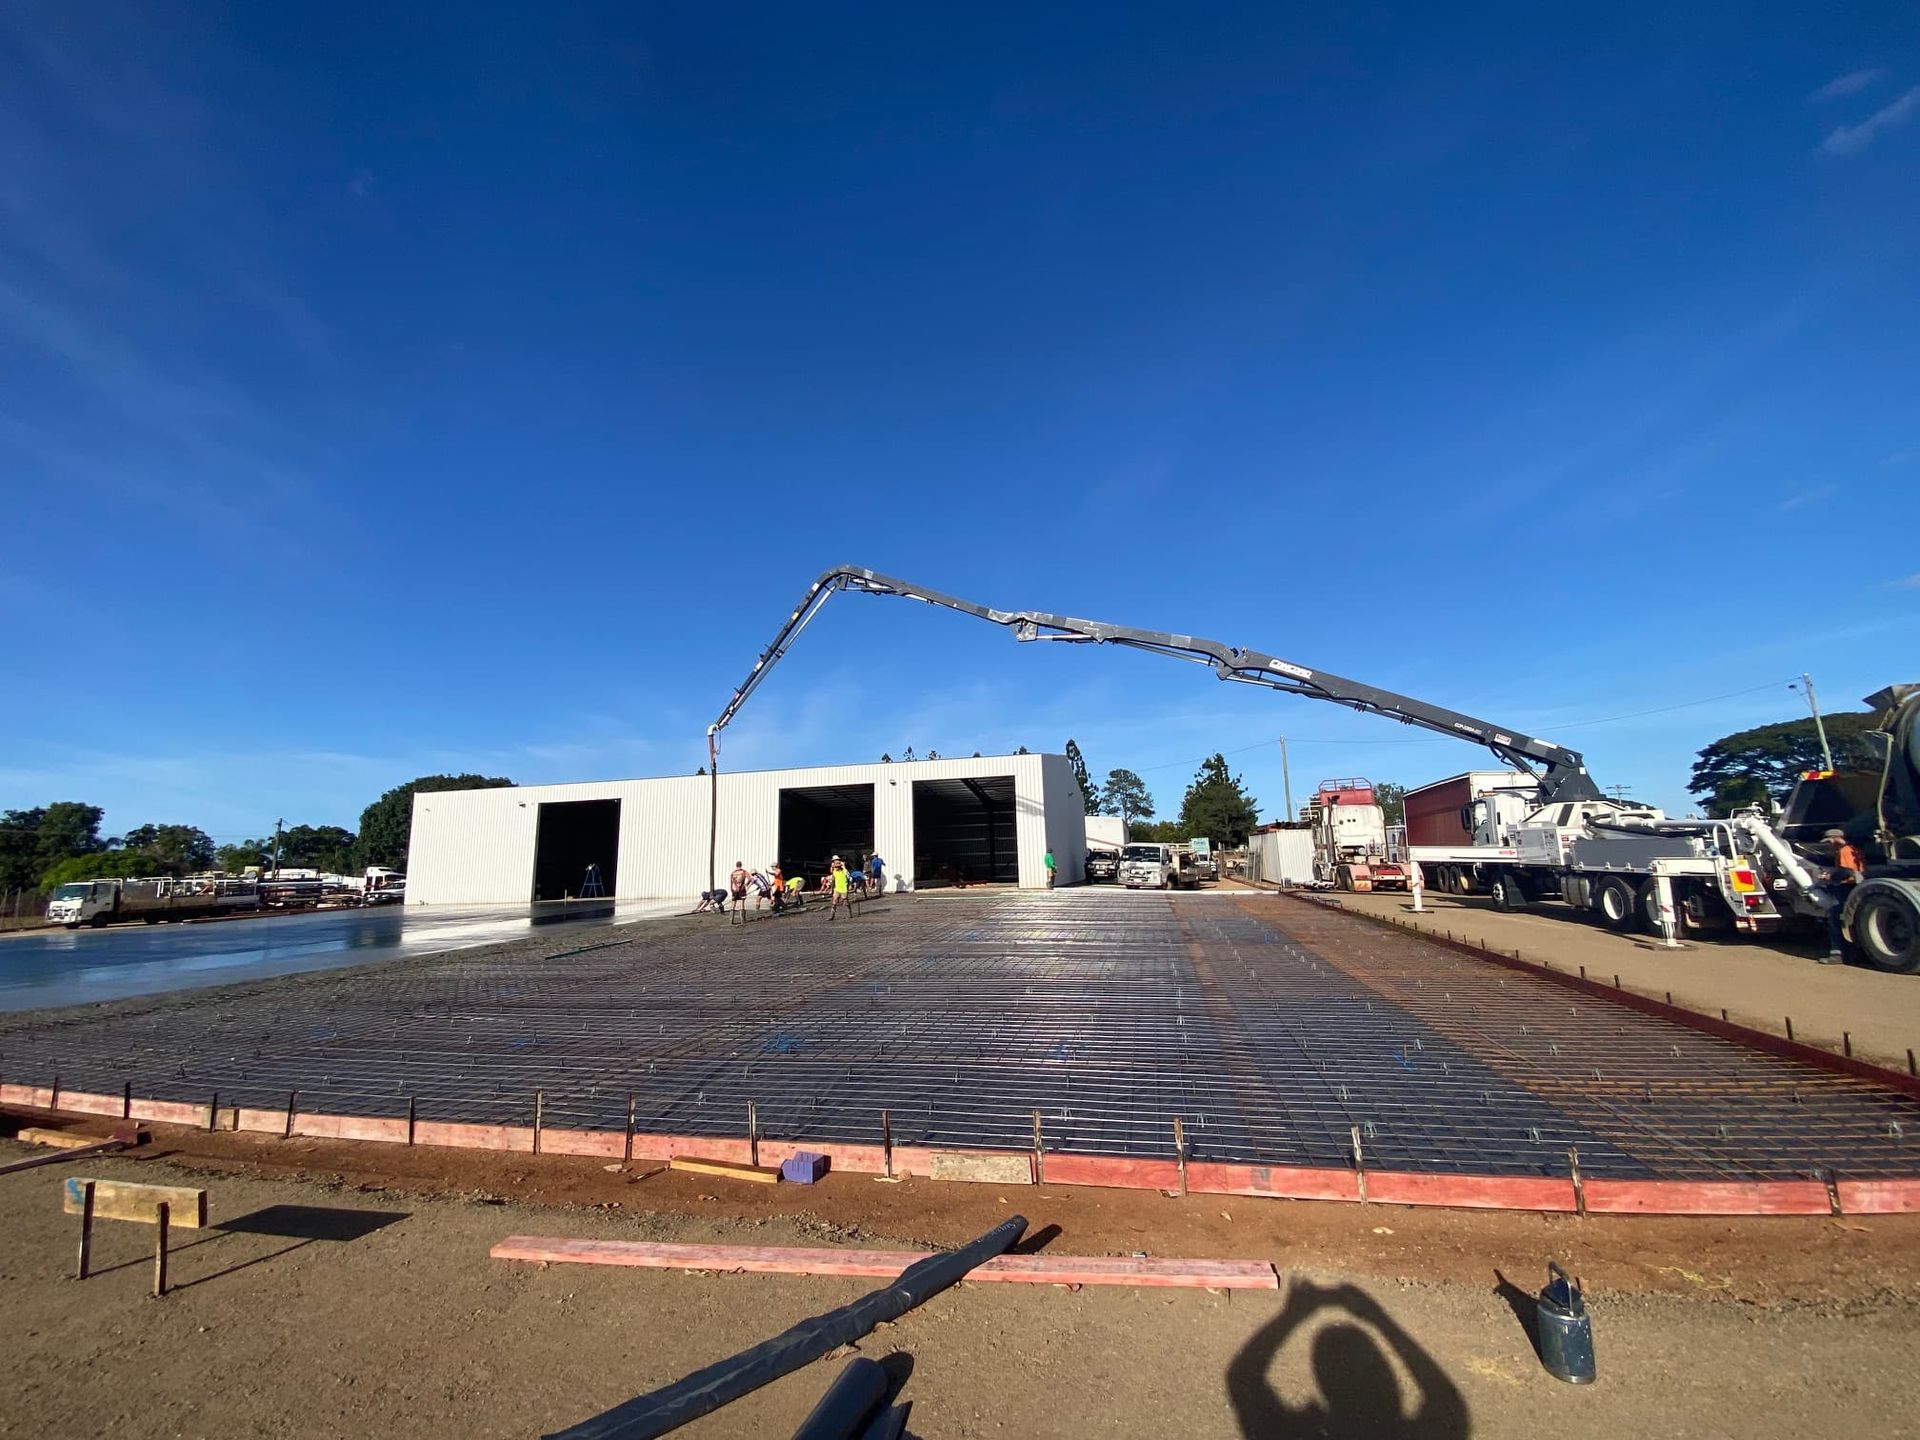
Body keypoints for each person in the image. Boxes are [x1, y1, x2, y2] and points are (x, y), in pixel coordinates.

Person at [1818, 827, 1866, 963]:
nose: (1829, 845)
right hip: (1857, 886)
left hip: (1848, 887)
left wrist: (1830, 877)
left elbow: (1846, 871)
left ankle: (1837, 954)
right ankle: (1855, 955)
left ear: (1836, 838)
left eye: (1829, 841)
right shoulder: (1854, 849)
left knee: (1834, 918)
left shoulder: (1844, 850)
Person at [827, 855, 857, 920]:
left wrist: (850, 885)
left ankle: (850, 914)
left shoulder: (844, 870)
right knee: (834, 902)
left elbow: (849, 877)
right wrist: (832, 889)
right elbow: (833, 879)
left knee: (845, 901)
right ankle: (832, 916)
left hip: (843, 888)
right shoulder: (834, 871)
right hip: (837, 888)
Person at [728, 860, 749, 924]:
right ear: (741, 865)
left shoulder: (733, 873)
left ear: (736, 865)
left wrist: (731, 889)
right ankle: (742, 921)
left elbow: (731, 882)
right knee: (741, 904)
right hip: (742, 889)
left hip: (734, 889)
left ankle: (731, 921)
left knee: (733, 904)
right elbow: (750, 879)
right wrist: (746, 884)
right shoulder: (744, 872)